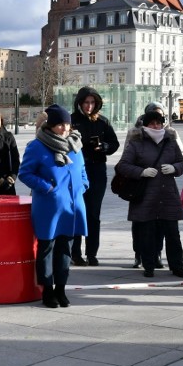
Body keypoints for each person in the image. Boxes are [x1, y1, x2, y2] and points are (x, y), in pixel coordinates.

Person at [18, 105, 88, 308]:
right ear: (50, 126)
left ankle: (61, 289)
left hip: (72, 206)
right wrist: (47, 188)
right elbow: (25, 173)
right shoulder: (37, 146)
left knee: (66, 248)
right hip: (49, 206)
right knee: (46, 248)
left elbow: (82, 170)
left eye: (67, 124)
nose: (65, 128)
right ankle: (47, 290)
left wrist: (83, 185)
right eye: (60, 124)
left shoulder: (75, 144)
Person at [116, 109, 183, 278]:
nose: (156, 126)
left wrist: (175, 168)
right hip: (146, 196)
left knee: (172, 234)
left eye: (159, 122)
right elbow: (123, 165)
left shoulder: (170, 141)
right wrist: (142, 171)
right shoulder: (136, 142)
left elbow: (182, 162)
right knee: (147, 233)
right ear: (146, 125)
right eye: (152, 123)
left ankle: (177, 266)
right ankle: (149, 266)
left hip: (167, 194)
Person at [69, 86, 119, 266]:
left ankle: (91, 253)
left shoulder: (102, 122)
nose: (89, 106)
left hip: (97, 170)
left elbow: (114, 143)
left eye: (92, 103)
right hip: (77, 171)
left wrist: (103, 147)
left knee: (93, 214)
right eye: (86, 102)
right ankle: (75, 253)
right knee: (76, 212)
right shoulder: (72, 121)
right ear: (79, 103)